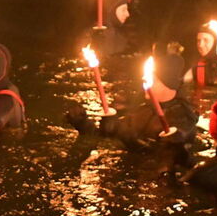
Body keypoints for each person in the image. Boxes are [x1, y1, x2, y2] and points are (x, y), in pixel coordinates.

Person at [67, 43, 198, 148]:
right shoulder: (142, 110)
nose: (145, 84)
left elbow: (171, 150)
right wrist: (83, 124)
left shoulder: (184, 117)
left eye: (153, 80)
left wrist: (177, 141)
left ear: (168, 85)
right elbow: (104, 140)